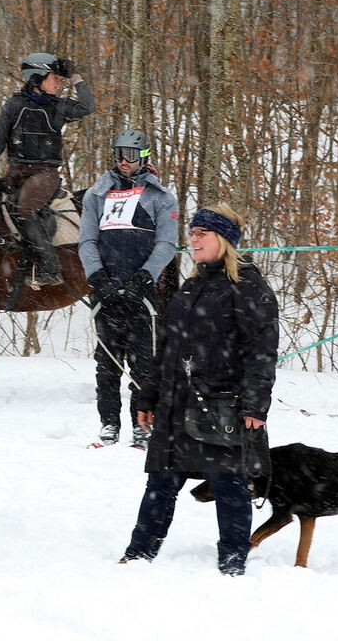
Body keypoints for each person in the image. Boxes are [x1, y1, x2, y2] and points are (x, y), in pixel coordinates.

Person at [119, 205, 278, 576]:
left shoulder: (249, 287)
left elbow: (262, 351)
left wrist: (255, 405)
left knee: (230, 486)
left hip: (221, 405)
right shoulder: (190, 286)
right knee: (160, 482)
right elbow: (167, 347)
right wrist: (148, 395)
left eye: (201, 234)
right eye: (191, 233)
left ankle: (233, 561)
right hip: (175, 404)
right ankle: (139, 554)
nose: (193, 240)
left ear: (223, 239)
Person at [78, 130, 179, 446]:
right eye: (119, 153)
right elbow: (87, 241)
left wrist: (144, 277)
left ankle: (141, 425)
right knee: (107, 363)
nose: (124, 160)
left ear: (144, 157)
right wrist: (97, 277)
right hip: (106, 290)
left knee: (143, 364)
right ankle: (109, 423)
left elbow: (167, 244)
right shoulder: (97, 194)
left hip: (141, 292)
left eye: (131, 155)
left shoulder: (161, 197)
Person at [0, 52, 95, 285]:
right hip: (16, 174)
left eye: (60, 78)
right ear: (37, 78)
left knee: (23, 207)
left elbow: (87, 106)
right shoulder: (13, 106)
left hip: (46, 174)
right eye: (55, 77)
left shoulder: (58, 107)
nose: (59, 82)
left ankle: (50, 267)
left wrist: (75, 76)